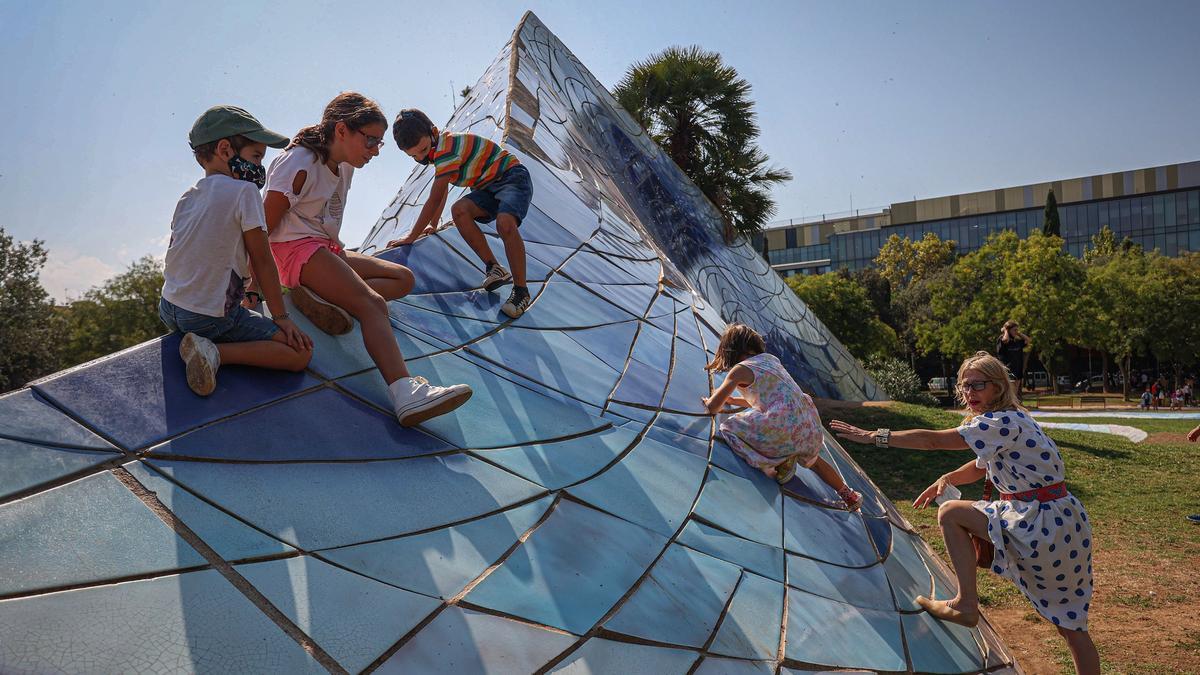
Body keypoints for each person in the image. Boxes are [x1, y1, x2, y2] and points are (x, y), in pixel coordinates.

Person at [831, 351, 1099, 675]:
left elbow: (933, 442)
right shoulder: (1015, 418)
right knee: (1071, 627)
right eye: (965, 386)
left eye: (978, 385)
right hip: (1063, 520)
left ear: (998, 387)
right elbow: (979, 465)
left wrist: (874, 436)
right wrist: (946, 478)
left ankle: (966, 604)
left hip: (1039, 520)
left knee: (950, 513)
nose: (969, 393)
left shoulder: (1000, 422)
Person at [264, 93, 471, 426]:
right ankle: (405, 394)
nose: (375, 150)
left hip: (323, 247)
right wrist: (254, 286)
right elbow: (262, 229)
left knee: (403, 279)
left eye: (379, 143)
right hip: (292, 250)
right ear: (342, 130)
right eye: (371, 140)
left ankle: (325, 299)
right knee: (373, 305)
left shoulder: (344, 164)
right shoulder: (298, 162)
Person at [160, 105, 313, 396]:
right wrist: (281, 318)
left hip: (169, 308)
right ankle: (213, 352)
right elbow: (262, 259)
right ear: (225, 149)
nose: (259, 167)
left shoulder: (187, 197)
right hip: (207, 318)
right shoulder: (245, 192)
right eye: (256, 156)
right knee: (299, 354)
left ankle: (201, 336)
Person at [386, 109, 533, 318]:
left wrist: (411, 236)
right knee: (460, 210)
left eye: (424, 149)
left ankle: (521, 291)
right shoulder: (439, 152)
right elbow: (443, 190)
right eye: (414, 156)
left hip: (510, 177)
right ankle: (494, 267)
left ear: (434, 132)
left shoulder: (446, 150)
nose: (422, 157)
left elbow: (435, 198)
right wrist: (433, 224)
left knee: (505, 223)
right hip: (486, 188)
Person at [701, 324, 863, 510]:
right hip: (807, 424)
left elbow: (714, 407)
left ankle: (780, 459)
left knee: (730, 427)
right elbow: (771, 398)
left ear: (729, 349)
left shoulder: (740, 370)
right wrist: (734, 400)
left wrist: (711, 402)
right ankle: (847, 494)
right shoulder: (771, 360)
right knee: (815, 461)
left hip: (781, 429)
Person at [995, 320, 1030, 389]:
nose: (1016, 331)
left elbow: (1027, 340)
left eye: (1017, 330)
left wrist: (1018, 333)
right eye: (1014, 330)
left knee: (1015, 393)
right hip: (1008, 370)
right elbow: (1005, 340)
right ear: (1008, 330)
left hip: (1018, 370)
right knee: (1010, 392)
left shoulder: (1016, 341)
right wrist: (1005, 331)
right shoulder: (1002, 339)